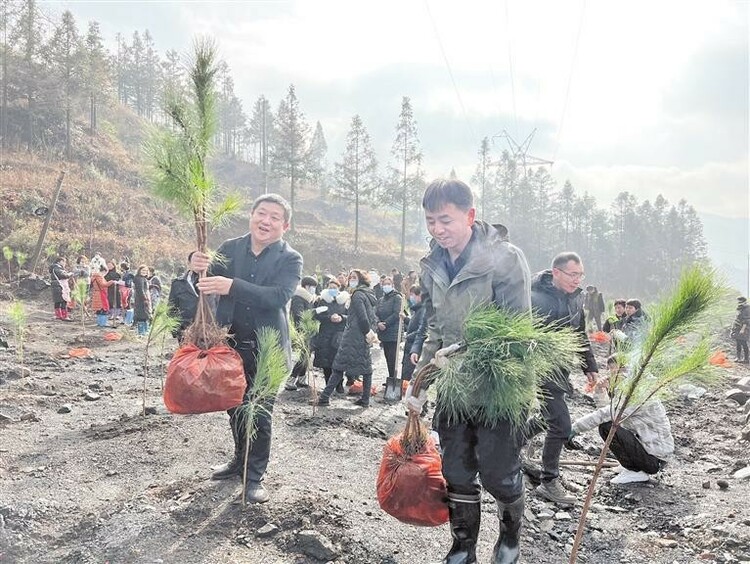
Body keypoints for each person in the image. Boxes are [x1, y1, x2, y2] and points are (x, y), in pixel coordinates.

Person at [405, 179, 531, 564]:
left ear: (470, 216)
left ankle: (509, 536)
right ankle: (463, 545)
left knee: (498, 472)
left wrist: (462, 348)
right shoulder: (433, 264)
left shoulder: (505, 259)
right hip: (453, 386)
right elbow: (434, 326)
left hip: (499, 386)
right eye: (431, 221)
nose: (438, 229)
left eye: (446, 220)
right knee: (456, 470)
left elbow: (516, 330)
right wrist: (421, 380)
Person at [192, 193, 302, 505]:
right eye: (261, 213)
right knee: (235, 409)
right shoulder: (230, 248)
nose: (266, 221)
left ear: (285, 225)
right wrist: (194, 264)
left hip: (268, 351)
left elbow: (278, 296)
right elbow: (203, 279)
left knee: (260, 414)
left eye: (274, 217)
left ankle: (254, 477)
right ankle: (238, 461)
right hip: (230, 348)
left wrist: (233, 286)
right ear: (251, 215)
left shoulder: (290, 258)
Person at [527, 252, 599, 506]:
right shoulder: (533, 296)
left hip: (560, 369)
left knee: (550, 418)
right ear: (556, 272)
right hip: (534, 368)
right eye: (573, 274)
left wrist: (589, 365)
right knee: (561, 424)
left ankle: (514, 444)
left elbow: (579, 333)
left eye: (580, 275)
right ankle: (549, 480)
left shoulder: (577, 297)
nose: (577, 280)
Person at [571, 356, 674, 484]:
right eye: (610, 372)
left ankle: (636, 471)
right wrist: (600, 391)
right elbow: (609, 413)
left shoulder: (638, 392)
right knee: (608, 425)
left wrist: (574, 428)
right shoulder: (630, 387)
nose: (610, 376)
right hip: (649, 452)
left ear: (625, 370)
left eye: (614, 372)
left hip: (654, 460)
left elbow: (606, 415)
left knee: (607, 428)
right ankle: (631, 466)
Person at [315, 269, 378, 408]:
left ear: (361, 280)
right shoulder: (368, 294)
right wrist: (370, 332)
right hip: (360, 335)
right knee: (365, 368)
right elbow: (371, 316)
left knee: (338, 366)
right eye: (350, 278)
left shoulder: (357, 295)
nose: (351, 280)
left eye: (354, 278)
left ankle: (324, 398)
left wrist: (367, 332)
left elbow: (362, 317)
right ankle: (365, 399)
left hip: (353, 336)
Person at [312, 279, 350, 390]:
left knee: (338, 361)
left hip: (339, 334)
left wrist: (341, 317)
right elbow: (317, 315)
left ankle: (339, 384)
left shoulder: (345, 301)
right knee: (326, 362)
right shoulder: (322, 300)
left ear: (339, 288)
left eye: (335, 287)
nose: (332, 289)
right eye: (330, 287)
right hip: (325, 334)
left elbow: (350, 317)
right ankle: (328, 384)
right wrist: (329, 318)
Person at [285, 276, 319, 391]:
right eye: (313, 287)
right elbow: (299, 314)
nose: (314, 289)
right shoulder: (298, 297)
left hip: (307, 330)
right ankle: (291, 379)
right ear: (307, 286)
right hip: (300, 330)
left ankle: (302, 378)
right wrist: (315, 311)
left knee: (307, 354)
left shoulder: (309, 298)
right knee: (303, 355)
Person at [166, 252, 200, 343]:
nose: (199, 263)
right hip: (185, 330)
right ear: (189, 263)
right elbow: (171, 308)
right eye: (196, 261)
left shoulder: (213, 282)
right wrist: (175, 330)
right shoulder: (178, 283)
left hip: (208, 330)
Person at [376, 275, 403, 386]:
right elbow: (376, 313)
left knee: (393, 357)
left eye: (388, 284)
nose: (386, 286)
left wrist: (386, 323)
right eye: (384, 284)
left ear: (392, 285)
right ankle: (390, 377)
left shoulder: (397, 298)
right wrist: (378, 323)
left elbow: (396, 313)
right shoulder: (381, 299)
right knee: (387, 356)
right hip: (384, 332)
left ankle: (393, 378)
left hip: (393, 331)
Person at [400, 285, 424, 382]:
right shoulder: (417, 310)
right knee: (405, 375)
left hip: (414, 348)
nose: (411, 298)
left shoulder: (423, 310)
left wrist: (408, 336)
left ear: (419, 296)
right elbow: (414, 324)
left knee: (409, 376)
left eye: (412, 295)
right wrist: (405, 319)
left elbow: (422, 330)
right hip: (409, 347)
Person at [50, 256, 74, 322]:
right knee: (63, 301)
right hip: (60, 286)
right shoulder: (57, 268)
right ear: (59, 262)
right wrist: (69, 274)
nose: (65, 263)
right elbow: (63, 275)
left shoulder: (55, 268)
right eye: (64, 261)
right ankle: (64, 316)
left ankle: (58, 315)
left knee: (58, 301)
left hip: (56, 286)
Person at [133, 265, 152, 336]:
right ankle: (141, 332)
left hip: (144, 298)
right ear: (139, 270)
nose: (144, 272)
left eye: (146, 271)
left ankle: (145, 331)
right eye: (143, 270)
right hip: (141, 300)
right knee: (142, 315)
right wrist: (145, 299)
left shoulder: (143, 278)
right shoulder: (138, 279)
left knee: (145, 316)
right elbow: (140, 290)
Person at [731, 296, 750, 363]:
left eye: (740, 302)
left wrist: (743, 329)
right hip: (737, 328)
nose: (739, 303)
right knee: (738, 343)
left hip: (744, 329)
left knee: (744, 343)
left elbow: (746, 320)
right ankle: (738, 357)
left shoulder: (747, 309)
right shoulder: (740, 308)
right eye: (738, 302)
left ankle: (746, 359)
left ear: (744, 302)